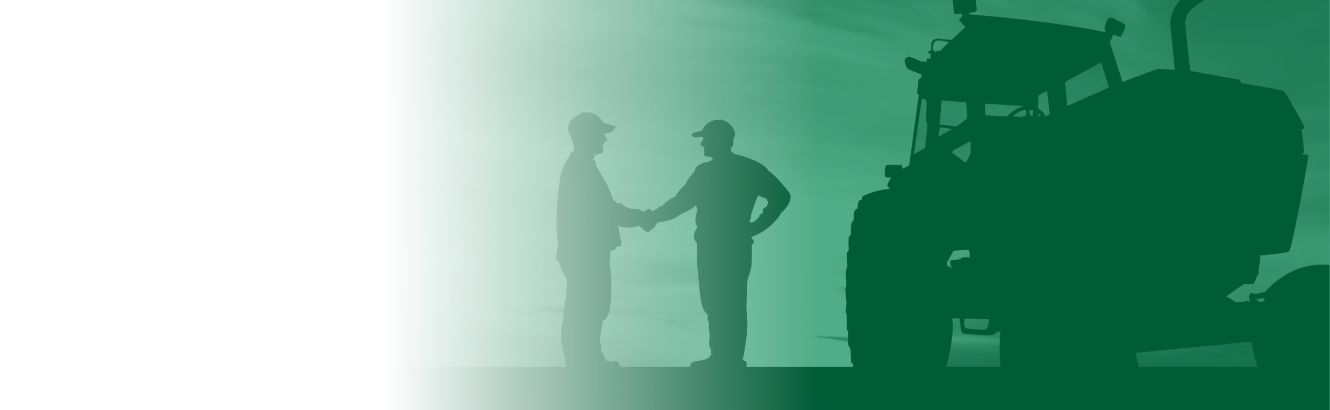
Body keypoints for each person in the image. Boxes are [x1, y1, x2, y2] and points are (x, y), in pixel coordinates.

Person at [648, 119, 790, 367]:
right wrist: (653, 216)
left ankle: (730, 359)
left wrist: (755, 226)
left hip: (727, 247)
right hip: (715, 247)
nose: (702, 143)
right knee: (715, 301)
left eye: (706, 138)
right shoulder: (724, 171)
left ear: (719, 140)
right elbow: (680, 202)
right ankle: (722, 356)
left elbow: (781, 196)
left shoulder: (725, 171)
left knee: (729, 301)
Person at [556, 112, 653, 367]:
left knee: (593, 304)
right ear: (586, 136)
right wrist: (643, 218)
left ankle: (588, 357)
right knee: (587, 304)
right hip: (586, 252)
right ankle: (583, 360)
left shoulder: (583, 167)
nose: (604, 140)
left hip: (587, 251)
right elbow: (607, 210)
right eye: (600, 134)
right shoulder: (580, 170)